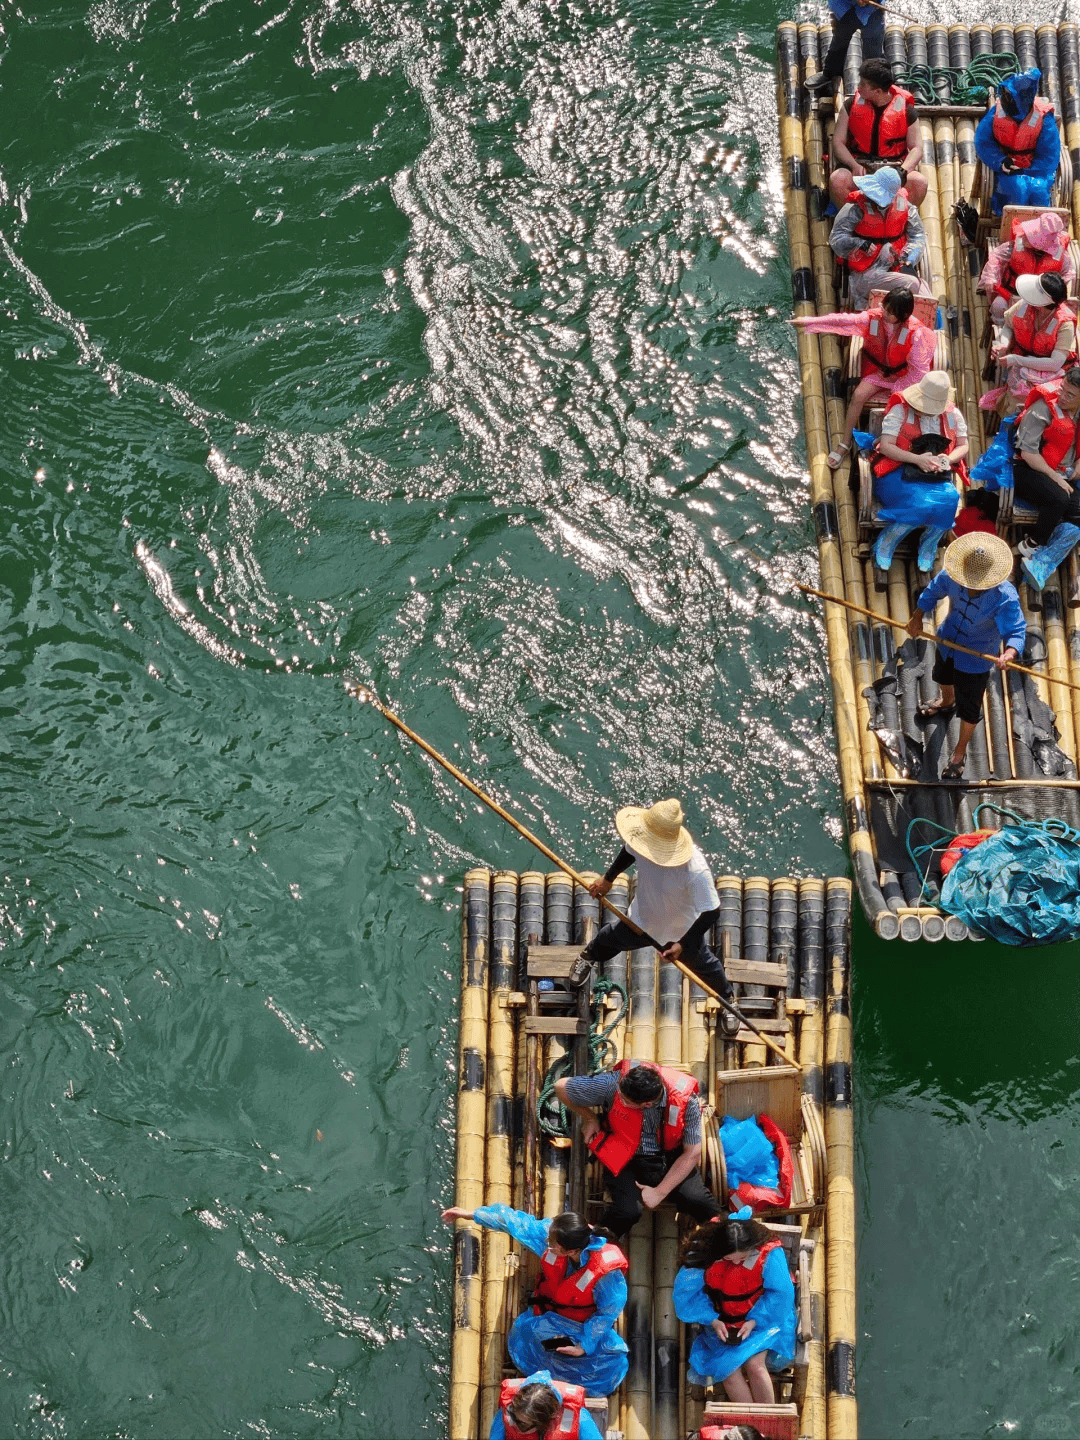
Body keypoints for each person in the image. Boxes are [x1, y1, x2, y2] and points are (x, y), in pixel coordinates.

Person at [571, 798, 736, 1023]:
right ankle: (588, 956)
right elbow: (628, 851)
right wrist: (608, 879)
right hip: (642, 919)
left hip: (681, 932)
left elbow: (712, 911)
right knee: (608, 939)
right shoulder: (642, 841)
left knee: (707, 968)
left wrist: (682, 944)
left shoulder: (695, 870)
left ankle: (728, 1000)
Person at [441, 1206, 628, 1395]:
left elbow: (608, 1312)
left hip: (582, 1326)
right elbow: (515, 1222)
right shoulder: (554, 1235)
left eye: (553, 1245)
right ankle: (557, 1364)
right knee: (525, 1336)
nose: (548, 1245)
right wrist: (473, 1214)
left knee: (611, 1360)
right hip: (550, 1317)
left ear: (571, 1251)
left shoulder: (607, 1275)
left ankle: (571, 1368)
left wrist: (583, 1346)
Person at [554, 1059, 722, 1238]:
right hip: (624, 1157)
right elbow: (561, 1087)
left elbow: (692, 1152)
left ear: (647, 1104)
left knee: (699, 1201)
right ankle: (596, 1246)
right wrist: (589, 1118)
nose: (621, 1099)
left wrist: (659, 1192)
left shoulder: (688, 1101)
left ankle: (719, 1241)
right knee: (627, 1212)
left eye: (626, 1102)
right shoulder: (614, 1084)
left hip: (671, 1158)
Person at [905, 533, 1025, 779]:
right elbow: (932, 592)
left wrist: (1010, 653)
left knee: (970, 709)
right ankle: (947, 702)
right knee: (942, 676)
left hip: (977, 658)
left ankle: (959, 753)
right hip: (947, 640)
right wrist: (917, 616)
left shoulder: (1005, 597)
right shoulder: (952, 575)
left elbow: (1015, 630)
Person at [791, 287, 935, 469]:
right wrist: (809, 322)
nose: (884, 313)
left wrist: (900, 389)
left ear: (903, 315)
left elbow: (919, 370)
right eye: (884, 308)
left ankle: (895, 444)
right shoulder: (871, 318)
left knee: (900, 404)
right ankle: (845, 442)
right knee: (858, 395)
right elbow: (841, 321)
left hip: (904, 376)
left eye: (890, 313)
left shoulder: (918, 334)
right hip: (877, 371)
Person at [673, 1208, 796, 1402]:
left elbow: (781, 1294)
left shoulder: (769, 1253)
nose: (737, 1262)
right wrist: (713, 1320)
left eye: (743, 1256)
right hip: (722, 1322)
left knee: (755, 1365)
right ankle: (750, 1423)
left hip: (766, 1320)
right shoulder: (703, 1253)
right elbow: (687, 1296)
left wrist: (755, 1321)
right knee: (728, 1372)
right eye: (729, 1258)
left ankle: (767, 1421)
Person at [871, 370, 967, 572]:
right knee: (919, 503)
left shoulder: (952, 415)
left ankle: (929, 543)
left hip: (934, 474)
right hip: (898, 469)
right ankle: (888, 539)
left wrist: (947, 459)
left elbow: (963, 445)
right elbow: (887, 446)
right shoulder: (900, 410)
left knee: (951, 500)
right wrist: (917, 459)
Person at [828, 58, 926, 208]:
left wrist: (902, 172)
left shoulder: (907, 111)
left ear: (878, 91)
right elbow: (838, 142)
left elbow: (917, 148)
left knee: (919, 182)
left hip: (893, 169)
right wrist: (853, 165)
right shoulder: (850, 105)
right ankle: (853, 221)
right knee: (837, 180)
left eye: (863, 85)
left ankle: (898, 219)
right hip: (860, 168)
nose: (858, 87)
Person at [1012, 366, 1080, 581]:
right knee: (1058, 498)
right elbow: (1028, 453)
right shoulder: (1042, 409)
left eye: (1071, 395)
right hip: (1029, 469)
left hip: (1064, 473)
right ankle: (1032, 544)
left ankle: (1043, 561)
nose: (1063, 396)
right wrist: (1055, 477)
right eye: (1062, 390)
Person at [829, 166, 927, 312]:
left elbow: (918, 236)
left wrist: (910, 259)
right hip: (865, 275)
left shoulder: (906, 207)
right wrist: (859, 243)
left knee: (924, 290)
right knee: (913, 284)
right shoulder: (854, 208)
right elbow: (836, 239)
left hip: (895, 267)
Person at [974, 69, 1060, 216]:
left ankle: (1037, 233)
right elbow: (983, 142)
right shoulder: (996, 112)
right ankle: (1011, 230)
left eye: (1010, 96)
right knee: (1017, 188)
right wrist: (1000, 161)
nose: (1006, 99)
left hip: (1036, 170)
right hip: (1005, 168)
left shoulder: (1044, 118)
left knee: (1038, 191)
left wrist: (1029, 172)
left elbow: (1049, 155)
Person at [987, 271, 1075, 415]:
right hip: (1020, 357)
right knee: (1016, 399)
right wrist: (1003, 344)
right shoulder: (1025, 305)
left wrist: (1017, 360)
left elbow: (1055, 363)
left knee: (1040, 404)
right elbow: (1009, 326)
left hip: (1051, 372)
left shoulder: (1066, 324)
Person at [980, 211, 1074, 321]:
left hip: (1043, 302)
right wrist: (991, 277)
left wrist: (1062, 297)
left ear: (1042, 244)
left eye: (1031, 235)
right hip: (1012, 293)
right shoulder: (1019, 241)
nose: (1025, 234)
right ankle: (1002, 328)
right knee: (998, 306)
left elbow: (1069, 274)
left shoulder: (1061, 254)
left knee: (1048, 320)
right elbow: (997, 256)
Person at [804, 0, 885, 95]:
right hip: (844, 7)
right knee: (838, 42)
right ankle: (830, 73)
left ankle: (875, 81)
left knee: (873, 51)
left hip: (873, 11)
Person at [491, 1372, 604, 1440]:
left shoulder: (579, 1418)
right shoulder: (506, 1412)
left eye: (523, 1425)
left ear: (548, 1420)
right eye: (515, 1417)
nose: (516, 1426)